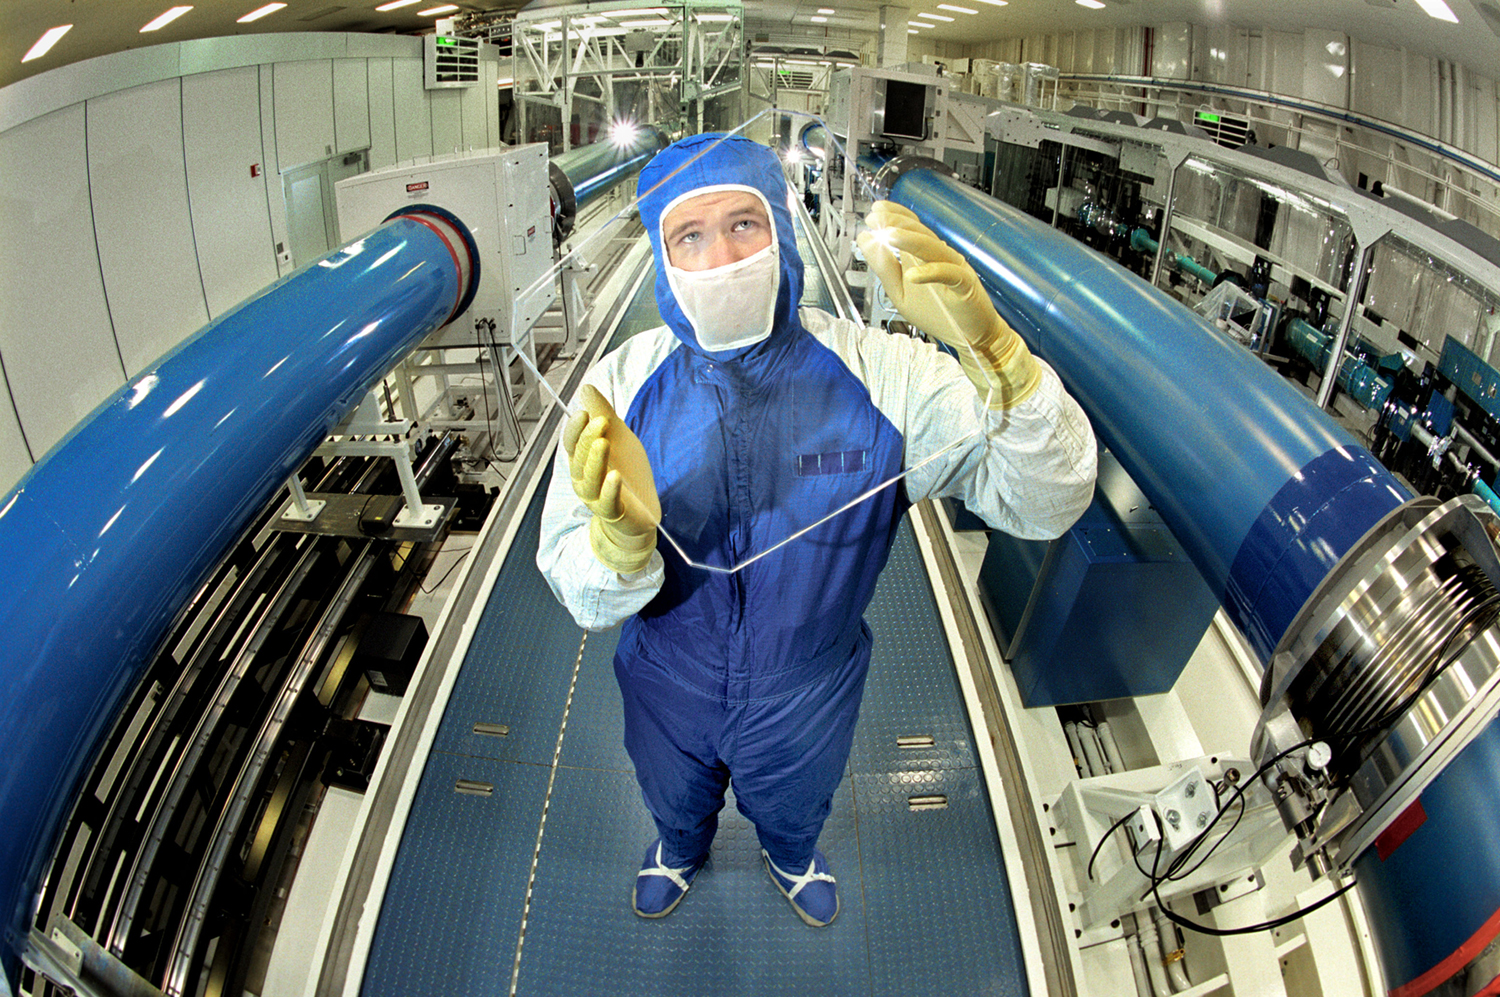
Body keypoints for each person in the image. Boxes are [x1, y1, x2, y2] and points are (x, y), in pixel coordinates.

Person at [536, 132, 1096, 927]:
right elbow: (576, 585)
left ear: (782, 230)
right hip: (669, 674)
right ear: (661, 257)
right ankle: (677, 845)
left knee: (795, 794)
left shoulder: (884, 375)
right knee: (669, 783)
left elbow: (1046, 500)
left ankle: (790, 853)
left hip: (806, 685)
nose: (722, 254)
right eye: (689, 237)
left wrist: (1001, 362)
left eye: (743, 224)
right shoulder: (622, 385)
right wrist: (615, 552)